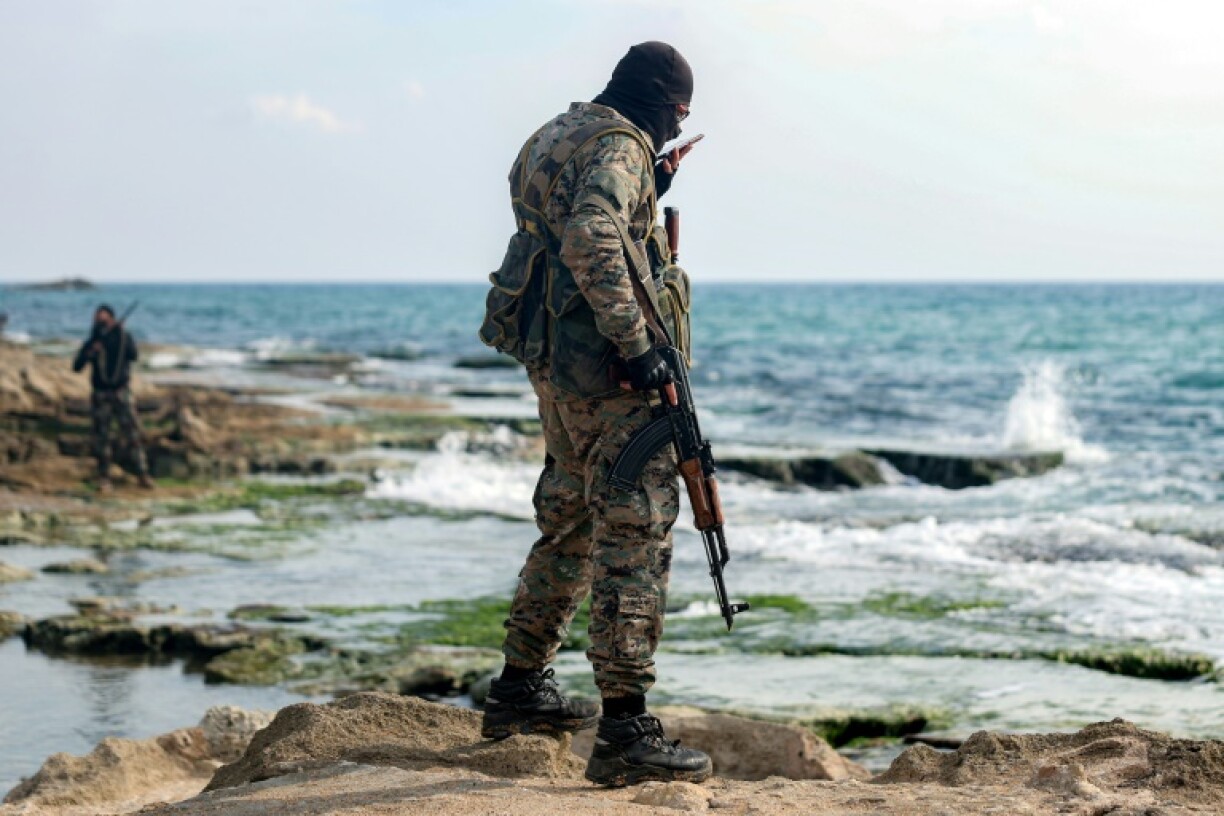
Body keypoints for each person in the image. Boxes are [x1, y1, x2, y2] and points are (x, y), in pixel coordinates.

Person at [481, 42, 711, 787]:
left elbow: (560, 215)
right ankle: (624, 729)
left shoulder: (560, 132)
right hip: (610, 373)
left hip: (558, 365)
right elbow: (588, 234)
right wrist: (640, 344)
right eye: (677, 115)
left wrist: (652, 181)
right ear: (660, 100)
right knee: (634, 530)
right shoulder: (622, 148)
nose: (675, 130)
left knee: (572, 515)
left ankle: (521, 686)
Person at [72, 305, 153, 492]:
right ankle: (104, 478)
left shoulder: (123, 338)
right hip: (101, 394)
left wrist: (120, 334)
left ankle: (143, 473)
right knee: (102, 438)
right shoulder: (92, 342)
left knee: (132, 434)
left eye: (105, 319)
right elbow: (76, 367)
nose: (101, 323)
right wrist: (90, 352)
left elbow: (134, 356)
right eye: (98, 319)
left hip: (121, 392)